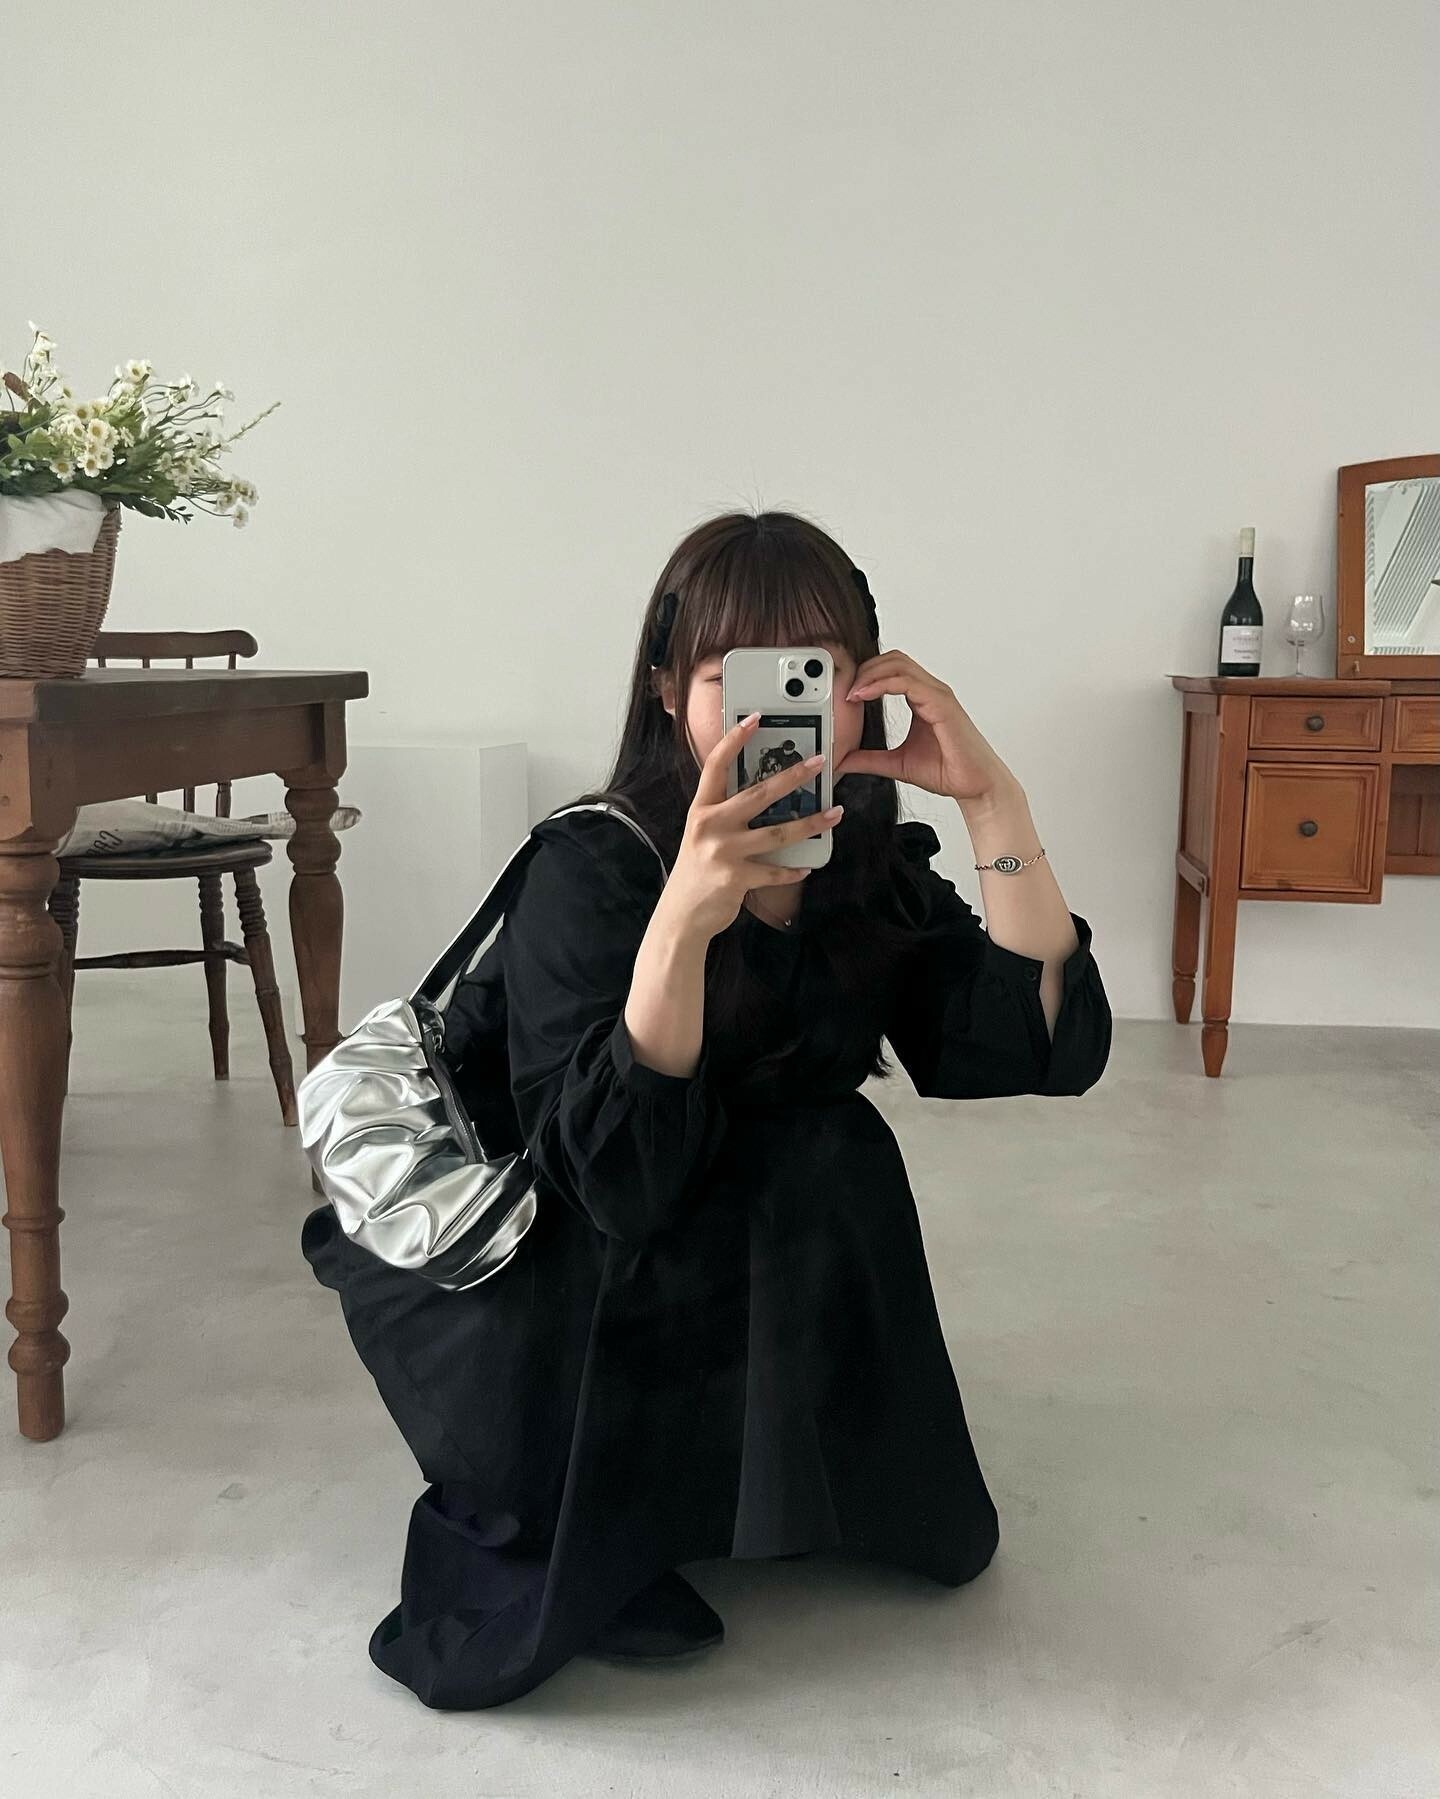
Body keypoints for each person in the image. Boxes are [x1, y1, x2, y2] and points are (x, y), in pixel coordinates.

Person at [301, 509, 1112, 1711]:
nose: (775, 706)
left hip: (726, 1208)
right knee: (718, 1173)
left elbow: (1030, 1046)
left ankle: (780, 1476)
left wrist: (997, 804)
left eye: (814, 670)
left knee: (829, 1146)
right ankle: (615, 1502)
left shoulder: (863, 856)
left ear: (867, 685)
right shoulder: (595, 863)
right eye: (736, 673)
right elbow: (609, 1174)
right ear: (667, 688)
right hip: (564, 1244)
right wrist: (683, 918)